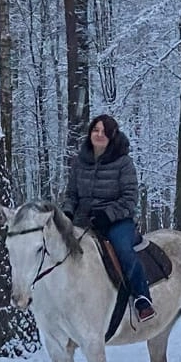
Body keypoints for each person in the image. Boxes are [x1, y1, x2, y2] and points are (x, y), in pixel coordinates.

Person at [62, 113, 154, 324]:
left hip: (117, 221)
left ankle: (142, 297)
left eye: (104, 131)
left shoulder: (123, 162)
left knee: (122, 248)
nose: (99, 134)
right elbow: (71, 195)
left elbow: (130, 198)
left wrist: (108, 215)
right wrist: (67, 212)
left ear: (113, 136)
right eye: (96, 130)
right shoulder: (80, 162)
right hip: (83, 219)